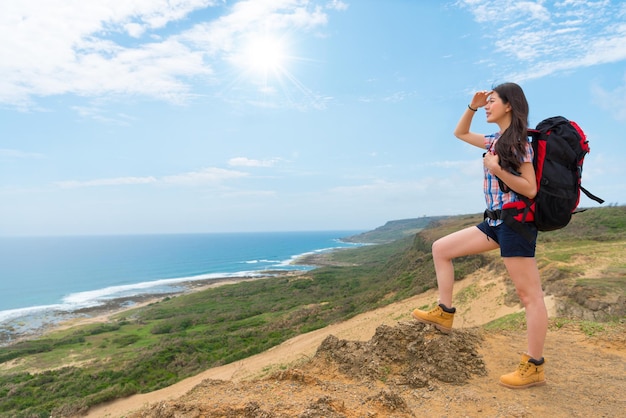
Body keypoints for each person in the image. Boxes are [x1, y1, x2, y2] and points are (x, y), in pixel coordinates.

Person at [411, 82, 548, 389]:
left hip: (514, 224)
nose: (488, 106)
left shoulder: (519, 141)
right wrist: (471, 107)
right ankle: (444, 312)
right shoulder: (494, 139)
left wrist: (497, 169)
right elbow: (460, 133)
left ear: (509, 105)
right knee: (440, 248)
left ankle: (534, 366)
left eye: (492, 102)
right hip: (495, 224)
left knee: (530, 297)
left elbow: (530, 188)